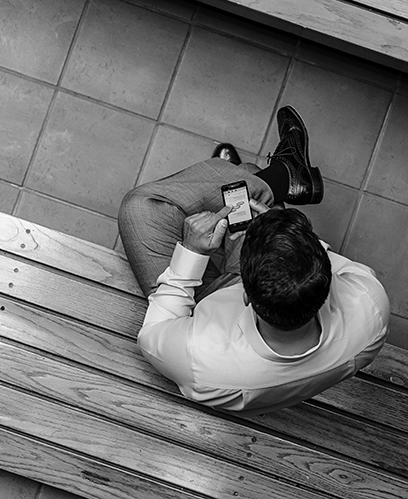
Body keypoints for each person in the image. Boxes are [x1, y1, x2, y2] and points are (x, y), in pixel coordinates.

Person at [118, 106, 389, 416]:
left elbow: (154, 332)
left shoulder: (200, 358)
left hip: (202, 321)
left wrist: (192, 254)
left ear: (244, 293)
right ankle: (266, 178)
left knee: (141, 207)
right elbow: (323, 257)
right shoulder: (371, 306)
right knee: (248, 195)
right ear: (326, 282)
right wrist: (278, 222)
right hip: (261, 313)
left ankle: (277, 176)